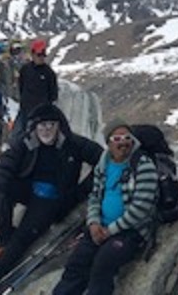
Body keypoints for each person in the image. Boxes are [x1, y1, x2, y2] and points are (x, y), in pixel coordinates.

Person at [0, 104, 103, 293]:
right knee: (4, 193)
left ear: (59, 126)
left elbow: (103, 160)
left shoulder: (73, 144)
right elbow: (5, 167)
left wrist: (80, 192)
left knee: (24, 236)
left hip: (53, 199)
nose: (46, 129)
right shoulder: (27, 142)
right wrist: (0, 192)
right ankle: (4, 240)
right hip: (31, 190)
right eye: (42, 125)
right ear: (34, 127)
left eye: (51, 125)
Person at [52, 120, 158, 295]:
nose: (123, 142)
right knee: (77, 262)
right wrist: (93, 223)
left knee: (104, 264)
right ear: (108, 142)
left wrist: (110, 231)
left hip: (130, 231)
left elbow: (141, 208)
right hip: (101, 227)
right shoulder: (104, 163)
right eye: (117, 138)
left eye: (127, 137)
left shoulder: (143, 165)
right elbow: (94, 196)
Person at [11, 39, 58, 142]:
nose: (41, 57)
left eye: (43, 55)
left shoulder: (49, 73)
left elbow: (53, 94)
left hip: (41, 112)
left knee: (35, 137)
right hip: (25, 109)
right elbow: (21, 86)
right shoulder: (25, 69)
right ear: (32, 54)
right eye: (39, 54)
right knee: (17, 135)